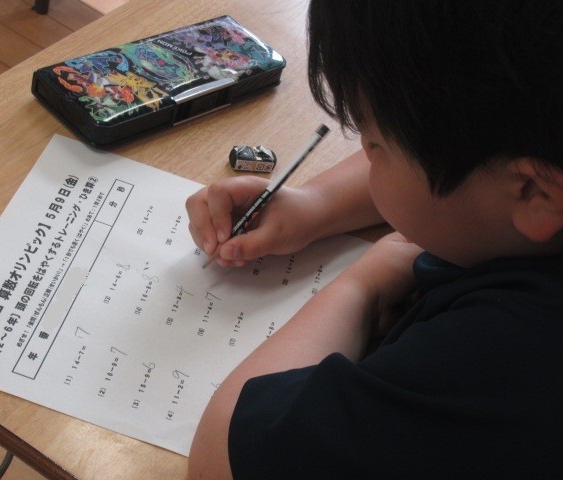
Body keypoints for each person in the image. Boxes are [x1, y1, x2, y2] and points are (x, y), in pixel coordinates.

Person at [185, 1, 563, 478]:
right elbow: (459, 145)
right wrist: (316, 203)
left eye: (375, 142)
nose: (363, 151)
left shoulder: (505, 360)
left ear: (534, 194)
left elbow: (221, 459)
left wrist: (362, 285)